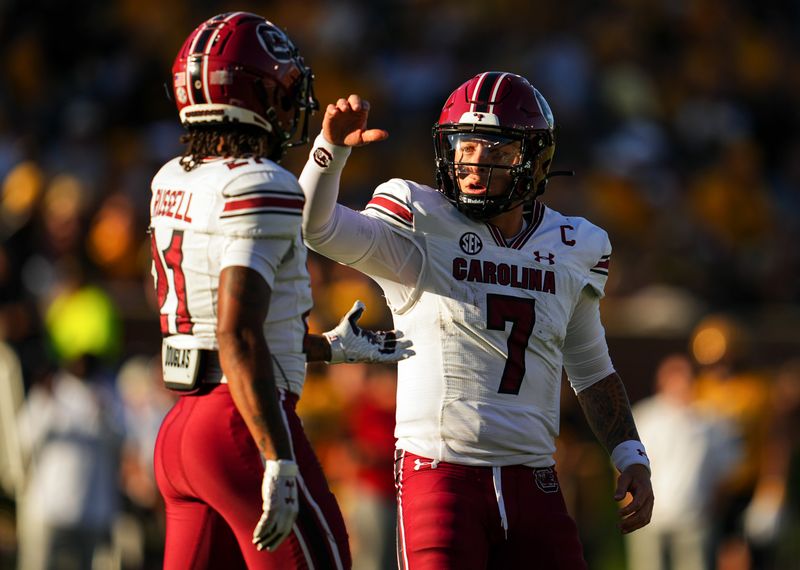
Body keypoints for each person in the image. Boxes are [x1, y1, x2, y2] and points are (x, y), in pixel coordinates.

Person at [299, 71, 654, 569]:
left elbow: (590, 366)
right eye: (465, 147)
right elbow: (317, 227)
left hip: (535, 477)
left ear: (534, 159)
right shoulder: (421, 222)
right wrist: (329, 150)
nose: (474, 164)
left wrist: (629, 453)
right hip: (440, 475)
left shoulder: (575, 245)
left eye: (496, 151)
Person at [150, 13, 411, 570]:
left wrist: (323, 348)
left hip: (180, 431)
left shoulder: (172, 176)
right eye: (284, 90)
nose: (291, 104)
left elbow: (223, 325)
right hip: (241, 425)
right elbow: (235, 331)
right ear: (256, 95)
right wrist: (277, 458)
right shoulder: (260, 185)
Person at [626, 354, 740, 570]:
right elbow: (626, 463)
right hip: (650, 516)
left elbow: (725, 471)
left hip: (694, 516)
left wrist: (713, 508)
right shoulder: (645, 417)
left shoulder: (711, 420)